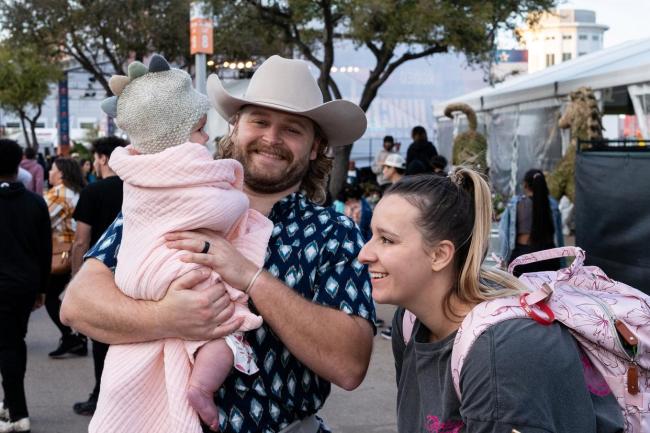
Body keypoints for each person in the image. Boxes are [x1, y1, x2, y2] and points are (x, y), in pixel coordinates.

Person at [61, 55, 375, 433]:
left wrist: (250, 277)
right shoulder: (169, 199)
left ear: (314, 147)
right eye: (259, 121)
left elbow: (350, 364)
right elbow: (77, 306)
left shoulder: (334, 231)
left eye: (292, 129)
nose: (271, 139)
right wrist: (165, 317)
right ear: (233, 126)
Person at [85, 54, 273, 433]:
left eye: (292, 129)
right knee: (227, 332)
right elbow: (217, 206)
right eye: (201, 131)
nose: (205, 140)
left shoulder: (136, 169)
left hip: (141, 269)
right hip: (167, 267)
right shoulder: (186, 166)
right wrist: (236, 200)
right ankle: (201, 387)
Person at [358, 170, 624, 433]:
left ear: (439, 255)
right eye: (371, 236)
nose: (364, 254)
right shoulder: (409, 322)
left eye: (386, 240)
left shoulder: (500, 355)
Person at [69, 136, 127, 416]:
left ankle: (101, 396)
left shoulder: (92, 192)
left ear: (103, 158)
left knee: (102, 340)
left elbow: (81, 240)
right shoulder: (137, 187)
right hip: (135, 274)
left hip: (101, 276)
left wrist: (75, 280)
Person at [0, 139, 52, 433]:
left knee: (8, 346)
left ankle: (18, 414)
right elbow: (45, 248)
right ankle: (11, 403)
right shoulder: (35, 202)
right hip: (26, 284)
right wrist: (42, 289)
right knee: (14, 342)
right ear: (18, 163)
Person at [45, 157, 87, 358]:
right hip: (79, 251)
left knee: (51, 298)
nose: (49, 172)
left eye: (52, 169)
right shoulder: (78, 191)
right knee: (73, 296)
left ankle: (71, 337)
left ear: (61, 173)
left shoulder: (58, 193)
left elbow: (40, 218)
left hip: (62, 254)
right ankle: (80, 337)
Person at [498, 169, 564, 277]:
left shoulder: (516, 204)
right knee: (547, 293)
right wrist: (562, 262)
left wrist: (503, 260)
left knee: (522, 293)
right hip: (549, 257)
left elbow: (503, 233)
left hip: (523, 258)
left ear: (525, 185)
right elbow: (559, 237)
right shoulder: (552, 205)